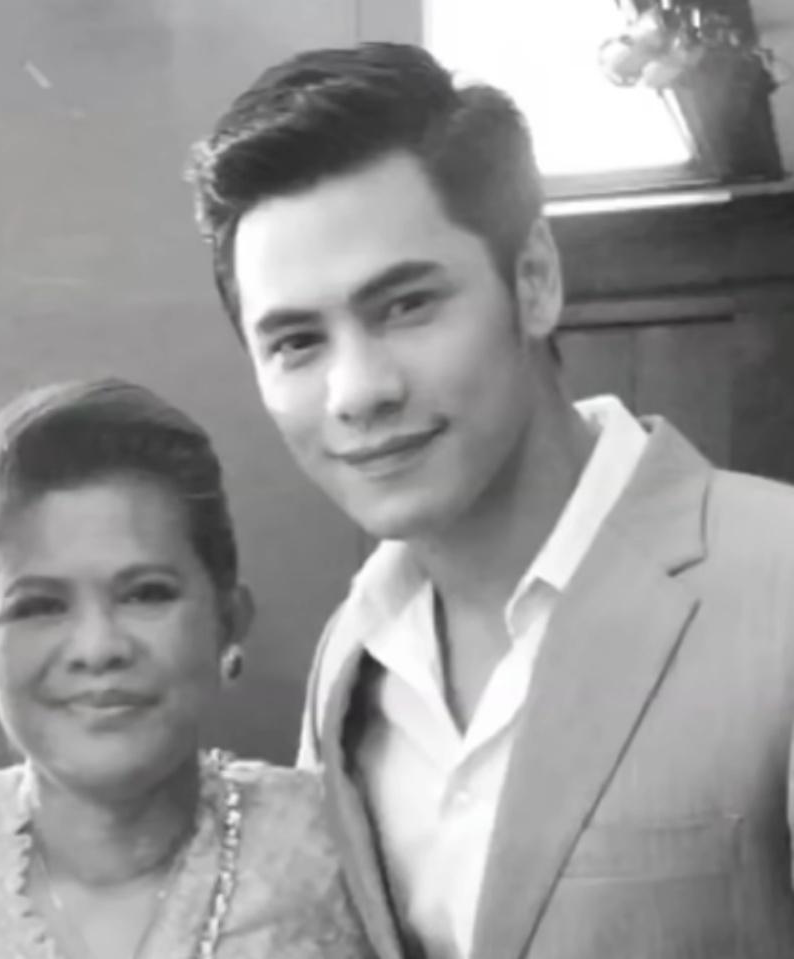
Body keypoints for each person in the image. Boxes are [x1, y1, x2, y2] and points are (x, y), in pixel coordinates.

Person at [186, 40, 794, 959]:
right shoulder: (353, 654)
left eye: (406, 305)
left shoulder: (777, 589)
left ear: (535, 279)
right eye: (296, 342)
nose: (358, 390)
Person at [0, 378, 367, 958]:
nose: (98, 648)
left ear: (228, 623)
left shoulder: (339, 849)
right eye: (39, 606)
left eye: (146, 594)